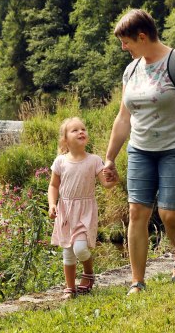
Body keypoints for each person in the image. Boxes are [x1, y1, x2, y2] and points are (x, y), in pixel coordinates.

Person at [102, 8, 175, 295]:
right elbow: (123, 118)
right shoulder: (131, 70)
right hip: (140, 151)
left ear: (142, 36)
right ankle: (137, 282)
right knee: (137, 212)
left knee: (170, 213)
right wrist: (110, 157)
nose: (124, 48)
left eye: (126, 42)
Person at [49, 117, 117, 299]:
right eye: (75, 130)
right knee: (68, 251)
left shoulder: (94, 160)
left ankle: (88, 272)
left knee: (80, 248)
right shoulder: (60, 161)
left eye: (83, 129)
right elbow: (53, 186)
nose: (81, 132)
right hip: (65, 210)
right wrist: (52, 204)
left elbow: (105, 184)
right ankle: (70, 288)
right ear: (65, 140)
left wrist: (113, 180)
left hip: (85, 210)